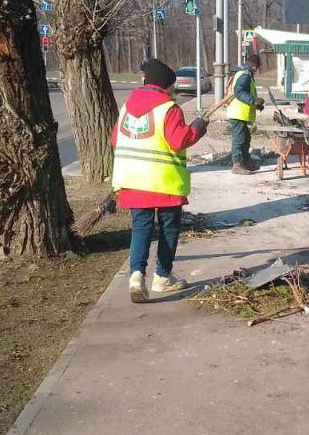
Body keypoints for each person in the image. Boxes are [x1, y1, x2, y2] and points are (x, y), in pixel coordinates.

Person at [110, 58, 207, 303]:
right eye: (172, 87)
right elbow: (179, 141)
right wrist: (197, 127)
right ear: (166, 86)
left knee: (141, 228)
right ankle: (162, 277)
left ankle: (136, 275)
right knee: (168, 229)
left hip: (132, 179)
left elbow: (115, 141)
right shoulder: (169, 109)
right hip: (163, 182)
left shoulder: (126, 107)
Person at [226, 51, 264, 175]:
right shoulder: (245, 74)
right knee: (239, 138)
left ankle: (246, 162)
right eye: (257, 68)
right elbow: (239, 91)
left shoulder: (245, 73)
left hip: (241, 113)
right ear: (255, 66)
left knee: (246, 138)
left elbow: (247, 93)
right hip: (238, 113)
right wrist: (253, 101)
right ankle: (237, 164)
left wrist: (256, 104)